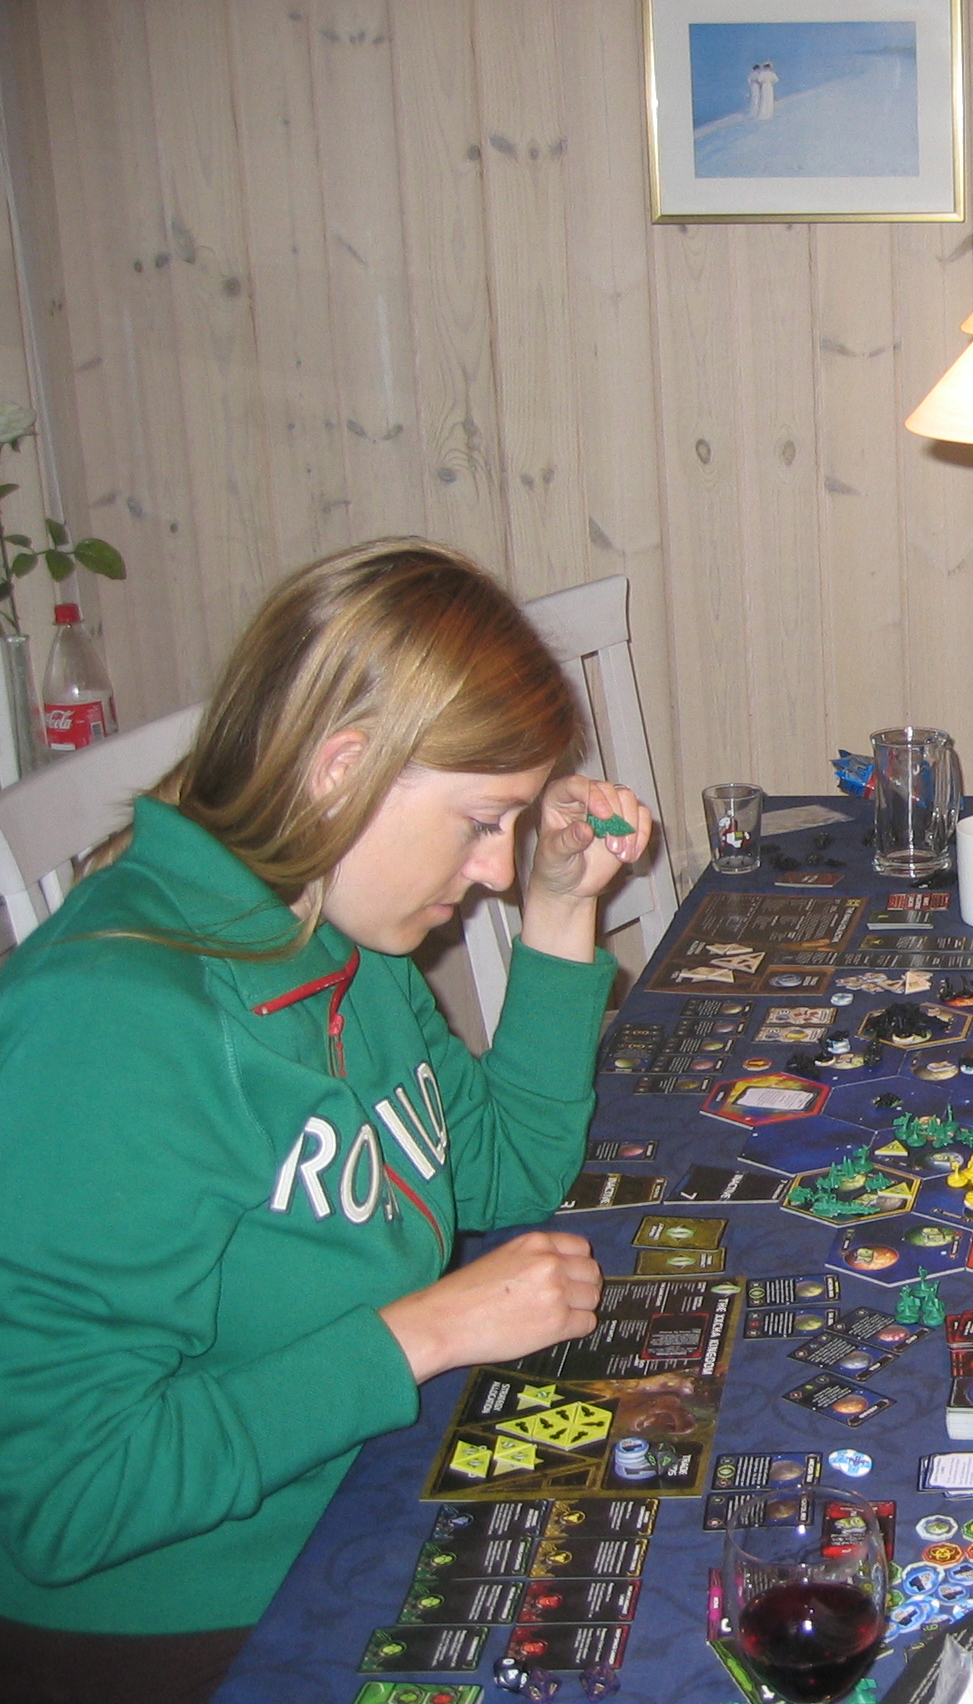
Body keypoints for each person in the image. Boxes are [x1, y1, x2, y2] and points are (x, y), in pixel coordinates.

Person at [0, 540, 654, 1704]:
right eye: (479, 820)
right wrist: (421, 1334)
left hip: (363, 1491)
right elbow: (64, 1496)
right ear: (343, 767)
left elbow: (502, 1170)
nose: (494, 870)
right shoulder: (111, 1024)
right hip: (201, 1621)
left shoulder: (336, 927)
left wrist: (562, 910)